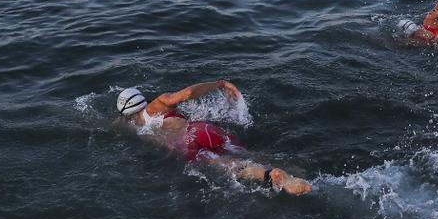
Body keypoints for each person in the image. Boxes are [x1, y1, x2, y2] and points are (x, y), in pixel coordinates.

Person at [115, 81, 312, 195]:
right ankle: (294, 172)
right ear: (141, 98)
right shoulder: (157, 105)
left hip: (185, 145)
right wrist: (220, 83)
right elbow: (189, 93)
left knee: (230, 164)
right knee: (244, 152)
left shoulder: (133, 126)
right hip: (201, 130)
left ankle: (271, 176)